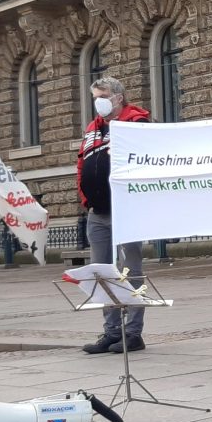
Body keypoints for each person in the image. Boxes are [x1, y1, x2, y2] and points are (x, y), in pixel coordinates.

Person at [77, 77, 151, 354]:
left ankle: (133, 332)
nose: (99, 101)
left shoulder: (137, 123)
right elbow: (82, 163)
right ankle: (110, 331)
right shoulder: (92, 129)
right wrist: (86, 197)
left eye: (103, 95)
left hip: (126, 212)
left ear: (118, 97)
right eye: (95, 96)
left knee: (131, 272)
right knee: (102, 273)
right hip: (97, 212)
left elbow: (145, 159)